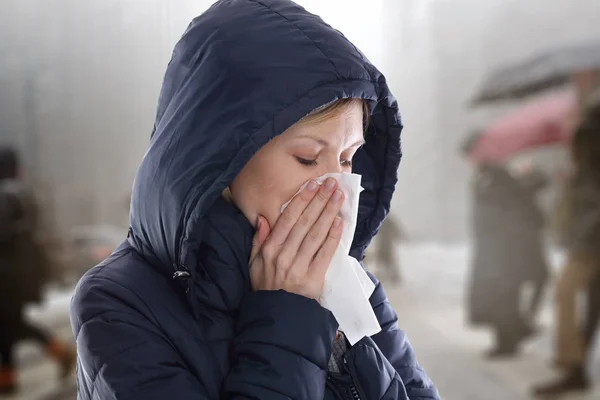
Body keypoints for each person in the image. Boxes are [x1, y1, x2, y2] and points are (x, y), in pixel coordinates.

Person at [69, 1, 439, 399]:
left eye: (348, 158)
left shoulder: (352, 284)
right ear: (224, 157)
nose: (336, 185)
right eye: (308, 158)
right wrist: (289, 313)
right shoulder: (119, 303)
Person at [534, 76, 600, 396]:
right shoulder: (588, 123)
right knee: (590, 303)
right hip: (588, 230)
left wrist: (579, 129)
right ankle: (575, 368)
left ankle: (572, 364)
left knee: (566, 292)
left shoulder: (592, 125)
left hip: (592, 234)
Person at [0, 146, 76, 394]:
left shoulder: (6, 195)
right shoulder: (22, 192)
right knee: (9, 322)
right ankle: (8, 376)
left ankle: (59, 352)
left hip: (8, 274)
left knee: (9, 322)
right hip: (21, 272)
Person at [466, 164, 548, 359]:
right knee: (506, 301)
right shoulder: (513, 192)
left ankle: (509, 340)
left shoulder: (495, 193)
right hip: (510, 256)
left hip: (501, 256)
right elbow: (539, 220)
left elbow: (488, 224)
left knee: (502, 302)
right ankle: (513, 336)